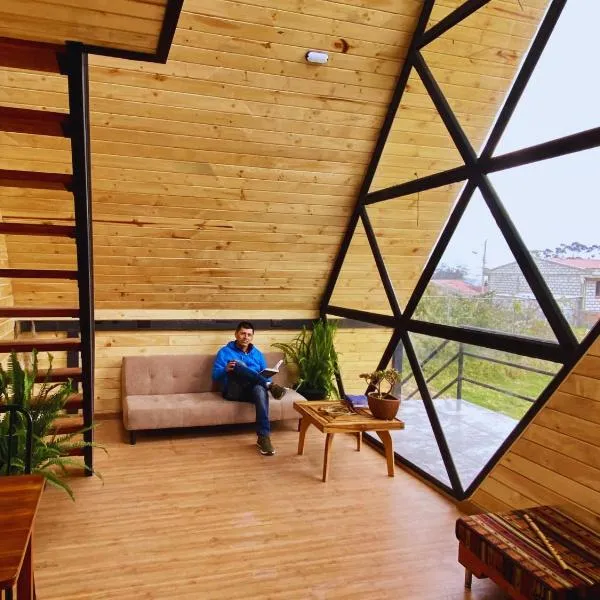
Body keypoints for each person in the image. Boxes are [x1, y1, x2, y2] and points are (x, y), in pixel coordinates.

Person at [212, 321, 286, 456]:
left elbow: (264, 374)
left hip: (252, 391)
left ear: (252, 337)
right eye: (242, 334)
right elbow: (215, 376)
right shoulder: (224, 352)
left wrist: (268, 377)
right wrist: (225, 369)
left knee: (259, 389)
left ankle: (263, 437)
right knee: (237, 364)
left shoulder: (258, 354)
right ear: (236, 334)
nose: (246, 337)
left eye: (249, 335)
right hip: (233, 390)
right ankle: (270, 386)